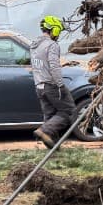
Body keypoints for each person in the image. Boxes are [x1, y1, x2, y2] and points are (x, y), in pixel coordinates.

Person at [30, 15, 76, 149]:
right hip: (51, 84)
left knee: (50, 115)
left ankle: (53, 146)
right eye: (58, 31)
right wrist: (60, 85)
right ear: (54, 30)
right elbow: (54, 66)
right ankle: (45, 130)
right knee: (68, 111)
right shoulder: (52, 45)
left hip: (39, 86)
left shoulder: (34, 45)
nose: (58, 34)